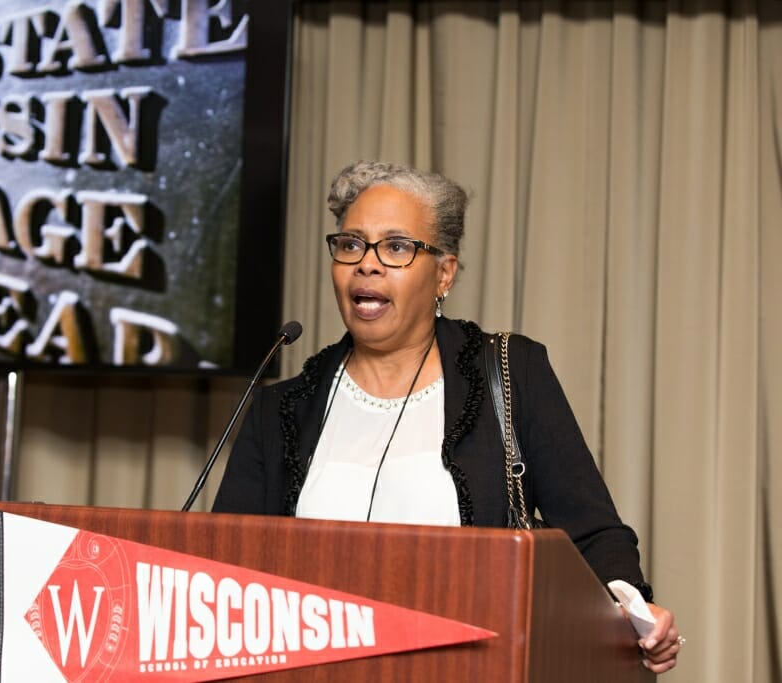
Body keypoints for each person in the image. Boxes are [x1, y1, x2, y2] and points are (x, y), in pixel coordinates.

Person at [212, 160, 680, 673]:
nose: (366, 264)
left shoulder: (509, 371)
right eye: (350, 244)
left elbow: (593, 532)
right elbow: (221, 566)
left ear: (444, 273)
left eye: (396, 247)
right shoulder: (281, 408)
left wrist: (633, 608)